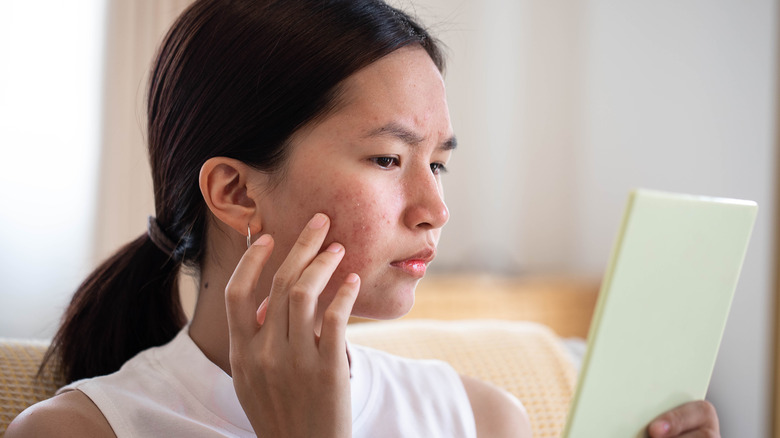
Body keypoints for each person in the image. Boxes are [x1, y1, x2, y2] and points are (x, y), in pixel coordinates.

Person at [7, 0, 720, 437]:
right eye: (387, 160)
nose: (435, 208)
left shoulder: (482, 420)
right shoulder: (78, 433)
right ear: (235, 192)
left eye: (437, 163)